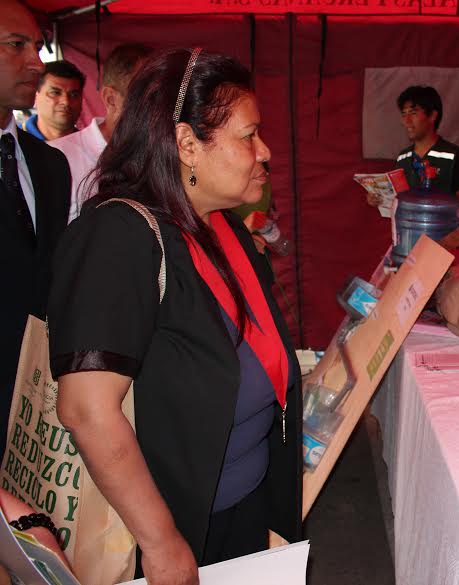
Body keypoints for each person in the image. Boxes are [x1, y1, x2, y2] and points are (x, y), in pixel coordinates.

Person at [47, 48, 302, 584]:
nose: (266, 150)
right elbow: (87, 410)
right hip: (176, 529)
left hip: (240, 507)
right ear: (187, 143)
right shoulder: (119, 237)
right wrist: (160, 542)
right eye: (248, 135)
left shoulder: (220, 228)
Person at [0, 0, 70, 455]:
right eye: (16, 45)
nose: (35, 62)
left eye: (38, 46)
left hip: (33, 414)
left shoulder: (50, 164)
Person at [51, 43, 152, 223]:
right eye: (145, 97)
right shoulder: (57, 157)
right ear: (111, 99)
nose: (156, 108)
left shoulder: (158, 154)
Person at [391, 85, 459, 207]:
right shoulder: (403, 157)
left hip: (442, 225)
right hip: (407, 224)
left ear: (433, 116)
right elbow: (397, 199)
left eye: (413, 113)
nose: (406, 120)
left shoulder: (454, 155)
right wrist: (381, 199)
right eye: (404, 114)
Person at [24, 60, 84, 141]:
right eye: (55, 93)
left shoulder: (93, 148)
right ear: (35, 96)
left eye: (74, 95)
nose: (66, 102)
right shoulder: (13, 142)